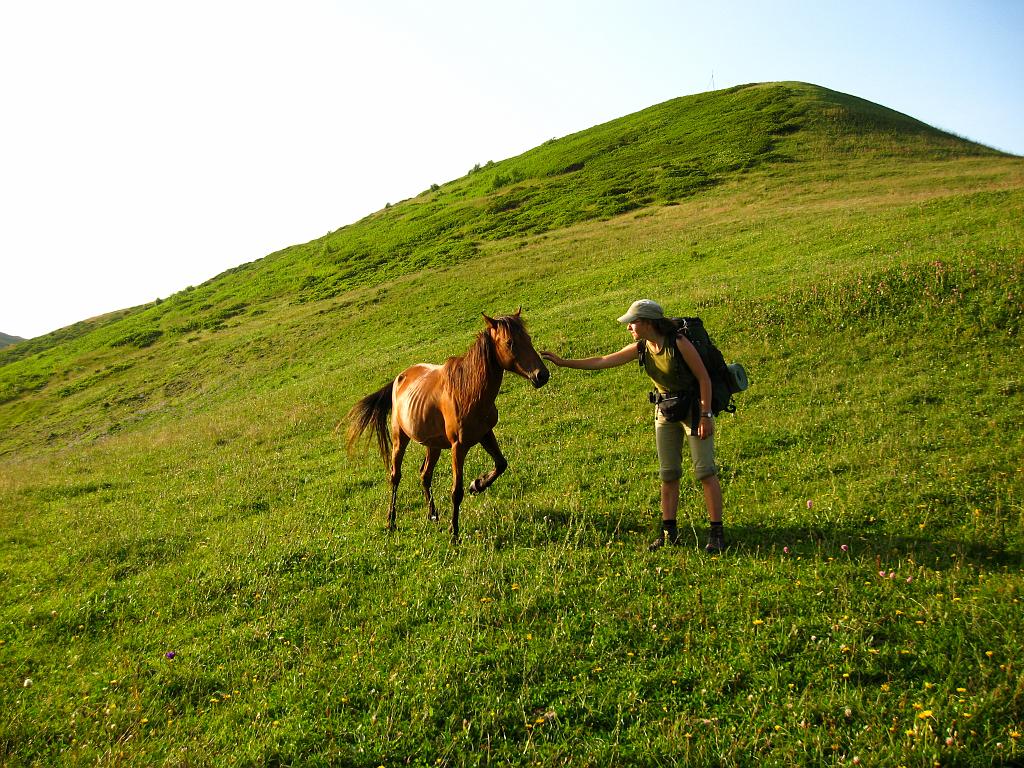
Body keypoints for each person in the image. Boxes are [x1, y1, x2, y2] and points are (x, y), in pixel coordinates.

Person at [541, 299, 726, 553]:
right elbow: (603, 360)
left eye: (632, 323)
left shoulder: (679, 344)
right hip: (665, 411)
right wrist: (565, 362)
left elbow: (704, 378)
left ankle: (716, 533)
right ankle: (668, 532)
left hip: (694, 410)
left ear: (648, 323)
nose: (629, 328)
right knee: (668, 474)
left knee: (705, 472)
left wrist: (705, 416)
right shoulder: (642, 347)